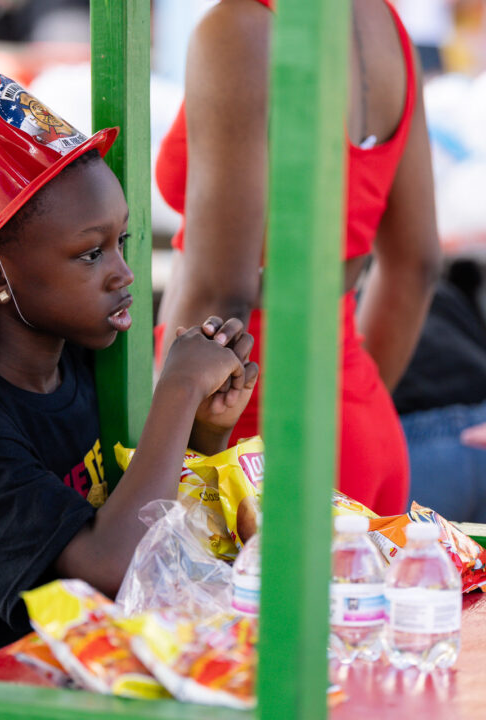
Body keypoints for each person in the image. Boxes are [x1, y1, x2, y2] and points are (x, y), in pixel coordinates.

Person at [0, 75, 259, 664]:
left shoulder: (81, 360)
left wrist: (205, 427)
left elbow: (150, 523)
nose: (124, 273)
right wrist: (179, 389)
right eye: (91, 254)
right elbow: (109, 571)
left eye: (123, 241)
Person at [154, 0, 441, 516]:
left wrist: (151, 449)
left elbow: (221, 291)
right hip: (355, 422)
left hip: (244, 441)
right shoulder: (385, 25)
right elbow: (415, 266)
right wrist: (341, 407)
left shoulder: (241, 30)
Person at [394, 261, 486, 522]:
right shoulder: (442, 293)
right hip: (480, 419)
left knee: (408, 558)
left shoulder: (360, 298)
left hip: (416, 436)